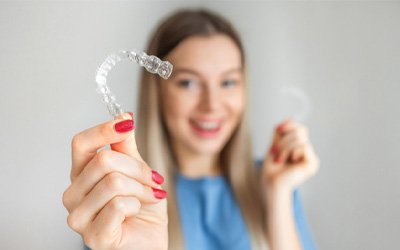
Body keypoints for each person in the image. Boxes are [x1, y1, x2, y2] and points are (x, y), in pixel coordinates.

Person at [62, 9, 319, 250]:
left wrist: (277, 195)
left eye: (228, 81)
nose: (212, 105)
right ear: (157, 91)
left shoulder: (275, 186)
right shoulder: (123, 200)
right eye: (188, 83)